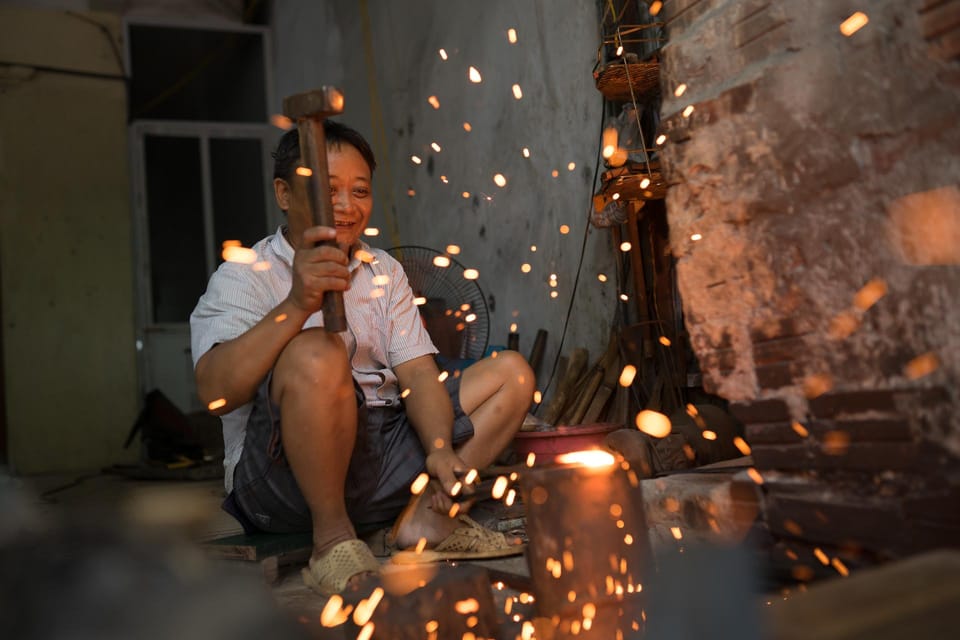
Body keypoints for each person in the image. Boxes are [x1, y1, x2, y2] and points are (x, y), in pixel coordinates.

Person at [190, 121, 534, 595]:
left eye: (360, 191)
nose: (348, 207)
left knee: (512, 375)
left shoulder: (382, 271)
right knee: (319, 350)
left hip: (381, 457)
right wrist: (296, 305)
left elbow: (417, 372)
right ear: (284, 194)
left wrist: (438, 448)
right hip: (281, 484)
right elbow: (214, 393)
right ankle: (331, 539)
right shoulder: (244, 276)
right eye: (330, 190)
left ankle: (426, 518)